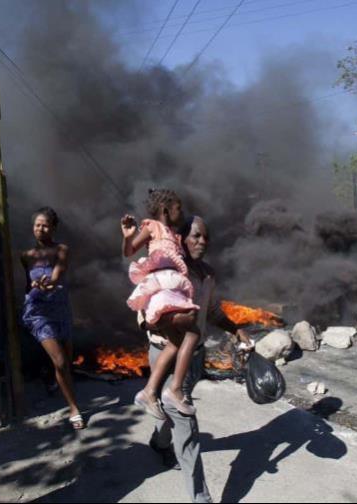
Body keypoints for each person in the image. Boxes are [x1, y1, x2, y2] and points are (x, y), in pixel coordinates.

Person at [146, 215, 253, 503]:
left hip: (194, 355)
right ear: (180, 238)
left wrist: (236, 329)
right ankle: (201, 498)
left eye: (206, 237)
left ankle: (158, 441)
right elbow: (146, 310)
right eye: (195, 236)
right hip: (165, 353)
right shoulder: (166, 268)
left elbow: (213, 311)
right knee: (187, 425)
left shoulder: (207, 273)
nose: (202, 242)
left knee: (171, 408)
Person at [122, 189, 200, 418]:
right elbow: (129, 251)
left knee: (177, 341)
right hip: (161, 286)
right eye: (179, 208)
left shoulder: (174, 236)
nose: (182, 213)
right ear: (166, 210)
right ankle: (174, 390)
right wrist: (127, 236)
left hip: (173, 288)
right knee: (193, 330)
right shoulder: (152, 227)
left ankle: (149, 392)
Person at [20, 207, 84, 430]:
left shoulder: (61, 249)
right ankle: (74, 408)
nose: (40, 228)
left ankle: (56, 382)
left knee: (66, 362)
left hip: (60, 309)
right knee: (60, 361)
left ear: (54, 227)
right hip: (38, 311)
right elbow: (28, 285)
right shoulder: (26, 256)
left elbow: (58, 273)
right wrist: (36, 286)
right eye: (37, 224)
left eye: (45, 225)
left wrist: (49, 282)